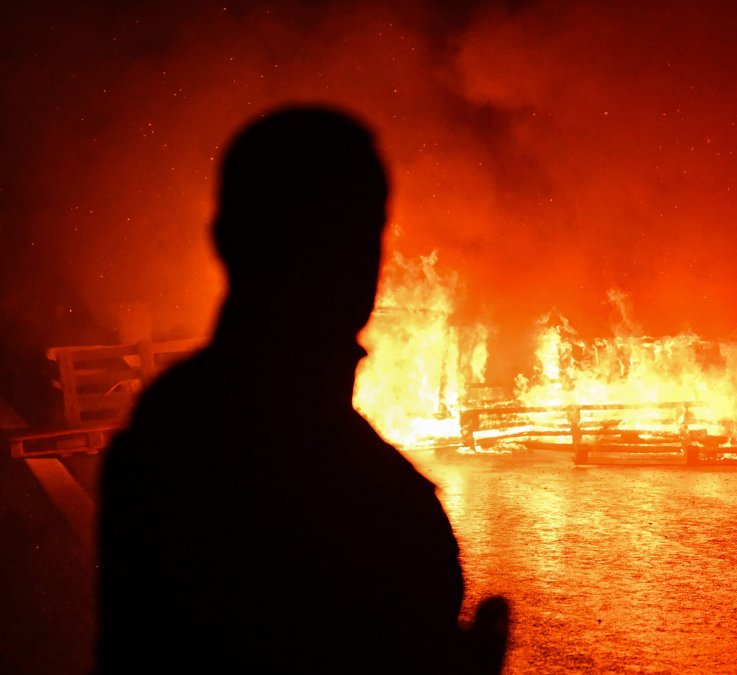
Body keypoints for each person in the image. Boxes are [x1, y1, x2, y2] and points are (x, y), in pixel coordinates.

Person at [96, 107, 508, 673]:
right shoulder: (365, 494)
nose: (350, 266)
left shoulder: (168, 428)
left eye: (360, 237)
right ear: (232, 241)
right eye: (329, 237)